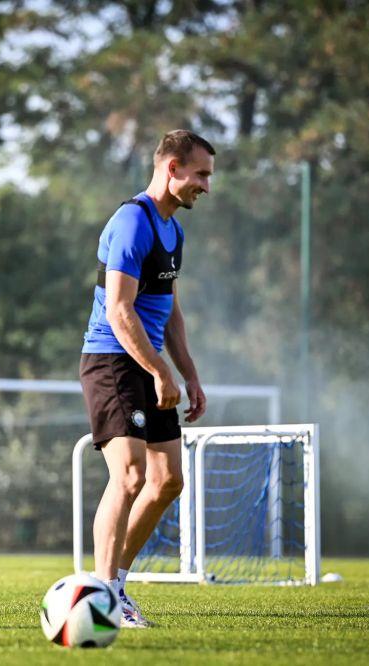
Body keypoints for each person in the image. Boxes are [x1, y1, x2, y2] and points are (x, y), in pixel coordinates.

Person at [79, 130, 214, 628]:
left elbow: (169, 312)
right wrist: (159, 371)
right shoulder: (132, 221)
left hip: (147, 362)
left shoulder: (173, 230)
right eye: (201, 174)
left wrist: (190, 376)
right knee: (131, 474)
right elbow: (119, 311)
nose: (206, 185)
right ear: (173, 167)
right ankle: (98, 597)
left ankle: (115, 586)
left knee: (167, 481)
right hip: (111, 360)